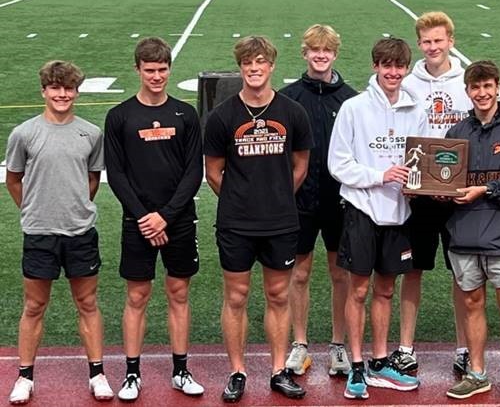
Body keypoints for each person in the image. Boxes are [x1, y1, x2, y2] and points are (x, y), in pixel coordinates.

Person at [204, 35, 313, 402]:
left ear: (271, 66)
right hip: (236, 224)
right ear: (241, 68)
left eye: (260, 61)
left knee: (279, 294)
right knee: (236, 296)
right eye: (248, 62)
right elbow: (213, 172)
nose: (254, 68)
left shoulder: (292, 112)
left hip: (281, 221)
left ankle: (279, 369)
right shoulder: (223, 116)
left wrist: (278, 196)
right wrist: (240, 201)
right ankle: (237, 371)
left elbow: (301, 164)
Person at [5, 60, 114, 404]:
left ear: (76, 91)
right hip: (39, 232)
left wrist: (75, 205)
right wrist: (34, 209)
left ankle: (97, 373)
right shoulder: (24, 133)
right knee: (34, 305)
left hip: (80, 232)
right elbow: (13, 179)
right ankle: (25, 376)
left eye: (68, 88)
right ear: (44, 91)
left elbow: (93, 179)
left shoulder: (91, 133)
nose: (62, 94)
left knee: (87, 302)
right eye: (55, 88)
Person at [104, 37, 205, 401]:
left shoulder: (186, 114)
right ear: (138, 70)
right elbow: (116, 174)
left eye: (162, 69)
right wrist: (145, 216)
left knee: (178, 293)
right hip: (137, 221)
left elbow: (194, 172)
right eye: (150, 70)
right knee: (137, 295)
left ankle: (181, 370)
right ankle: (132, 374)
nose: (157, 76)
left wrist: (165, 216)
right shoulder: (119, 116)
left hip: (176, 220)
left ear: (169, 69)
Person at [328, 37, 423, 400]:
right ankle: (355, 366)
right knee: (360, 290)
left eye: (399, 66)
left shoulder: (417, 109)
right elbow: (338, 164)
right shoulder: (354, 108)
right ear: (375, 67)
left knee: (386, 289)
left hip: (400, 213)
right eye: (386, 65)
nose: (393, 73)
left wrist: (420, 184)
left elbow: (426, 157)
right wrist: (379, 176)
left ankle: (380, 361)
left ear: (406, 69)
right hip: (362, 211)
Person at [443, 61, 500, 407]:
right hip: (464, 232)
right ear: (468, 91)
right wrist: (438, 191)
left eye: (487, 86)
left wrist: (482, 190)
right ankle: (477, 374)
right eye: (475, 87)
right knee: (471, 303)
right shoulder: (457, 132)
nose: (482, 93)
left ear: (498, 88)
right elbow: (447, 178)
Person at [390, 11, 471, 375]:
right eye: (426, 41)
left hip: (458, 196)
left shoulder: (466, 80)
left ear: (451, 40)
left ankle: (465, 347)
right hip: (419, 195)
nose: (433, 47)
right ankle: (406, 346)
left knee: (463, 274)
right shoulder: (409, 83)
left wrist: (463, 183)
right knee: (413, 269)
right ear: (419, 44)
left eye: (439, 40)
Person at [279, 24, 357, 377]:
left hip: (340, 199)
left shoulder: (352, 100)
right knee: (300, 272)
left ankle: (338, 345)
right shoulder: (288, 98)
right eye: (314, 50)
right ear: (305, 53)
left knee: (340, 273)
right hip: (300, 198)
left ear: (335, 54)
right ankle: (300, 343)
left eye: (326, 50)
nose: (320, 55)